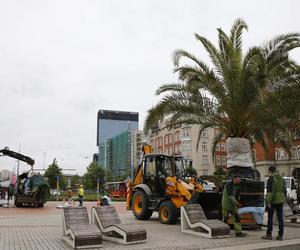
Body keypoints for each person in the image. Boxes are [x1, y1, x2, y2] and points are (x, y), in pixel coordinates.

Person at [262, 166, 286, 241]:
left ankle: (269, 234)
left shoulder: (271, 179)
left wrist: (268, 201)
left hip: (273, 200)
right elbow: (284, 190)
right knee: (280, 218)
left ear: (270, 172)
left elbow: (270, 192)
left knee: (270, 218)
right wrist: (283, 198)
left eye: (268, 172)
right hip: (280, 200)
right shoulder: (281, 178)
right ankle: (280, 235)